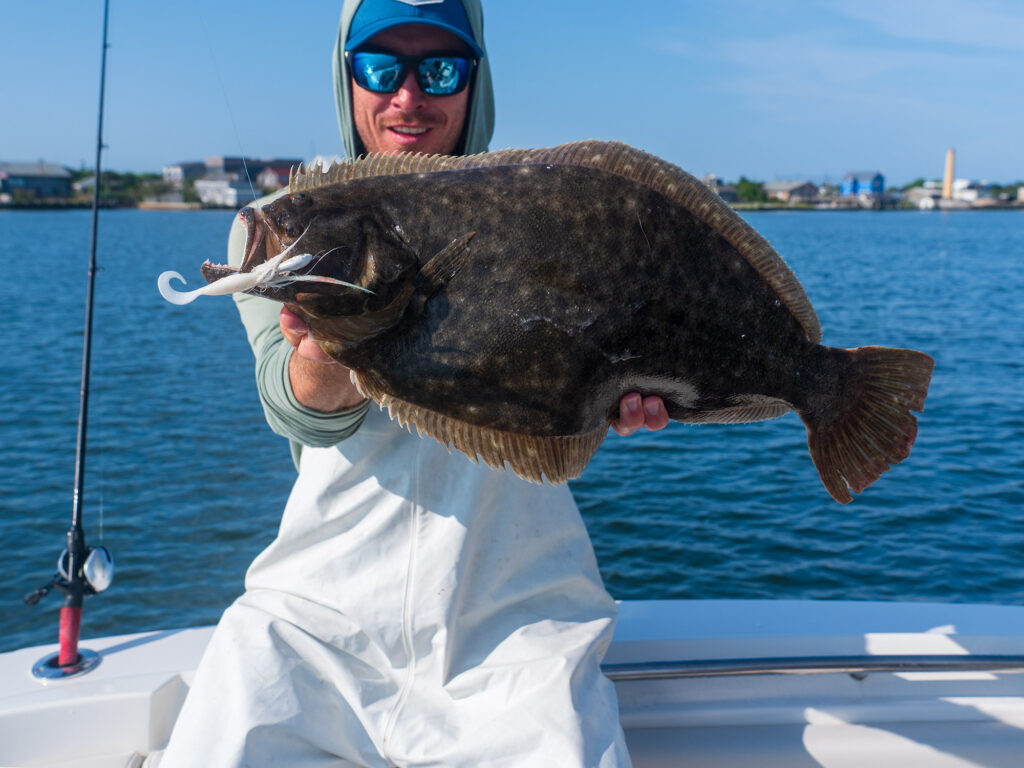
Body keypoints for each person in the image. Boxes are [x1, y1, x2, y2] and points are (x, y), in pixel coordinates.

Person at [161, 2, 665, 766]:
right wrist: (335, 323)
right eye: (379, 68)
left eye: (438, 69)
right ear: (347, 79)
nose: (407, 96)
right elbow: (296, 409)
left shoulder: (546, 212)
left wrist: (612, 395)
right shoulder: (278, 226)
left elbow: (582, 372)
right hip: (313, 619)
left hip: (517, 621)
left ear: (473, 84)